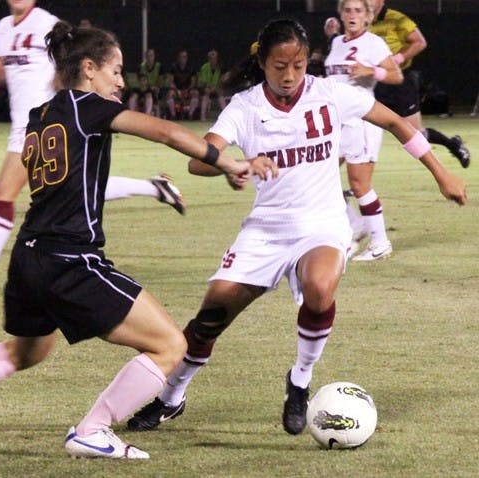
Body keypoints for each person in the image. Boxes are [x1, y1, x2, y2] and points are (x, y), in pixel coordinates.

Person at [0, 21, 250, 459]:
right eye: (116, 70)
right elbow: (165, 131)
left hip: (29, 255)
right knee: (170, 346)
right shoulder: (89, 108)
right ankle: (93, 429)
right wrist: (227, 163)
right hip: (70, 259)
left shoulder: (41, 115)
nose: (122, 80)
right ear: (88, 69)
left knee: (25, 353)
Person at [126, 18, 466, 436]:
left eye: (299, 65)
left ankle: (300, 381)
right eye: (278, 67)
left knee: (320, 288)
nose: (289, 76)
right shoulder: (246, 106)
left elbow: (397, 123)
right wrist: (237, 165)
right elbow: (199, 160)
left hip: (322, 223)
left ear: (308, 62)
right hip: (266, 229)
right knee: (212, 315)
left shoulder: (330, 94)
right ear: (262, 63)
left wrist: (441, 174)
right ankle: (171, 397)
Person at [0, 0, 185, 291]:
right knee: (72, 188)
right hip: (25, 123)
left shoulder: (46, 23)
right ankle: (155, 188)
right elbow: (4, 71)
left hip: (50, 122)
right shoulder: (3, 28)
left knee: (4, 194)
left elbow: (75, 64)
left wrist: (94, 96)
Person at [324, 0, 403, 261]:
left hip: (363, 120)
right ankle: (357, 226)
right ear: (341, 14)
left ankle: (380, 243)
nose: (352, 15)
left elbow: (396, 76)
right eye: (347, 10)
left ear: (368, 16)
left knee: (359, 184)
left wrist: (372, 70)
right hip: (337, 122)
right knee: (320, 175)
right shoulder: (337, 43)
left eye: (358, 10)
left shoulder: (374, 43)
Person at [369, 0, 470, 169]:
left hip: (400, 82)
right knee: (363, 130)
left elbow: (420, 42)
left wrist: (398, 58)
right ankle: (359, 186)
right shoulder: (362, 21)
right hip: (375, 83)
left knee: (416, 134)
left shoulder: (397, 18)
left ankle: (453, 144)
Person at [165, 49, 199, 120]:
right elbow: (170, 81)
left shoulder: (191, 67)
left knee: (196, 93)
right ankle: (173, 115)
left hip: (188, 89)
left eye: (185, 57)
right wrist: (177, 91)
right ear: (178, 58)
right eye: (181, 57)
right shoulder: (173, 67)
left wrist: (187, 90)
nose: (183, 58)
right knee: (169, 94)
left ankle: (190, 114)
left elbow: (193, 82)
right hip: (176, 89)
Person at [197, 49, 227, 121]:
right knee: (206, 92)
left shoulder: (221, 67)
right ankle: (202, 116)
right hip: (206, 88)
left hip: (217, 88)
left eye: (215, 58)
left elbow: (222, 81)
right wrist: (209, 87)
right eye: (211, 58)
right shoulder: (204, 67)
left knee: (220, 92)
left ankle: (226, 116)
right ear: (208, 59)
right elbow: (202, 82)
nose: (213, 60)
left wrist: (216, 87)